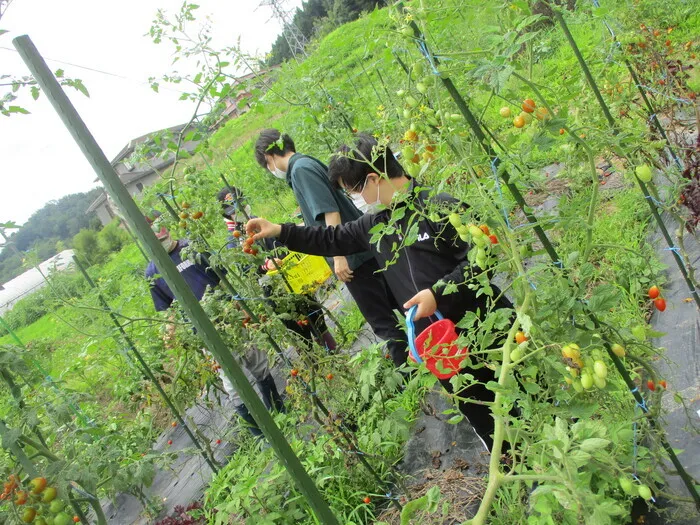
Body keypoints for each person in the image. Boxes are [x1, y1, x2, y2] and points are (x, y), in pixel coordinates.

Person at [246, 134, 514, 451]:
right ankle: (510, 458)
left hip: (485, 321)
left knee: (517, 382)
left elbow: (483, 257)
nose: (357, 199)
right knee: (476, 405)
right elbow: (329, 240)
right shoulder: (377, 224)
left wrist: (437, 294)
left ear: (373, 178)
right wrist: (280, 231)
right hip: (439, 340)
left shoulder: (438, 205)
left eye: (355, 191)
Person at [254, 129, 408, 366]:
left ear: (270, 156)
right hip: (360, 248)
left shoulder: (301, 170)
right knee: (396, 304)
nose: (270, 170)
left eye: (267, 165)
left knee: (382, 320)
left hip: (354, 256)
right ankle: (423, 350)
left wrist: (339, 256)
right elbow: (321, 213)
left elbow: (330, 211)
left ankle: (409, 370)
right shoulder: (304, 164)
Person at [144, 211, 284, 439]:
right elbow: (167, 309)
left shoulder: (192, 248)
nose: (161, 239)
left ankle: (279, 412)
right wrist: (169, 333)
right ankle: (260, 434)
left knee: (257, 362)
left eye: (161, 233)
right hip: (203, 333)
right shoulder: (153, 271)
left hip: (230, 317)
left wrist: (239, 309)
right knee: (231, 381)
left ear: (167, 229)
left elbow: (222, 279)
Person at [215, 187, 337, 353]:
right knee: (299, 333)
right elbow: (246, 269)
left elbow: (278, 243)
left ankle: (334, 354)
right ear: (226, 214)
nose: (239, 209)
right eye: (232, 209)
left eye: (241, 203)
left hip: (294, 279)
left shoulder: (257, 221)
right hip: (275, 292)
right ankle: (314, 364)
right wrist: (265, 266)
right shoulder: (234, 240)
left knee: (317, 317)